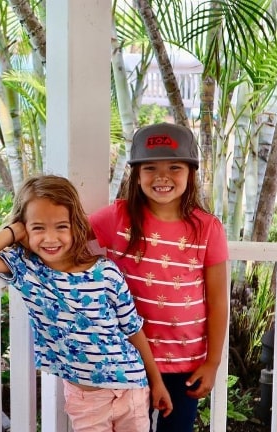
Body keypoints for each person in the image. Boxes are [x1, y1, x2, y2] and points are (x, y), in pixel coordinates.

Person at [0, 174, 173, 431]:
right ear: (23, 228)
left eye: (61, 226)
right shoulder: (26, 268)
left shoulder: (106, 272)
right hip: (86, 399)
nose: (50, 238)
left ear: (76, 226)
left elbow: (133, 329)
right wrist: (12, 231)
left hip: (131, 386)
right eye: (38, 227)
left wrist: (156, 381)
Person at [88, 123, 229, 432]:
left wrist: (213, 362)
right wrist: (18, 232)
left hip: (185, 363)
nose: (162, 177)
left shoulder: (208, 229)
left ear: (191, 173)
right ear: (136, 175)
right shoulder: (116, 217)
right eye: (150, 167)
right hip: (125, 357)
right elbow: (65, 234)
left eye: (174, 167)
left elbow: (218, 301)